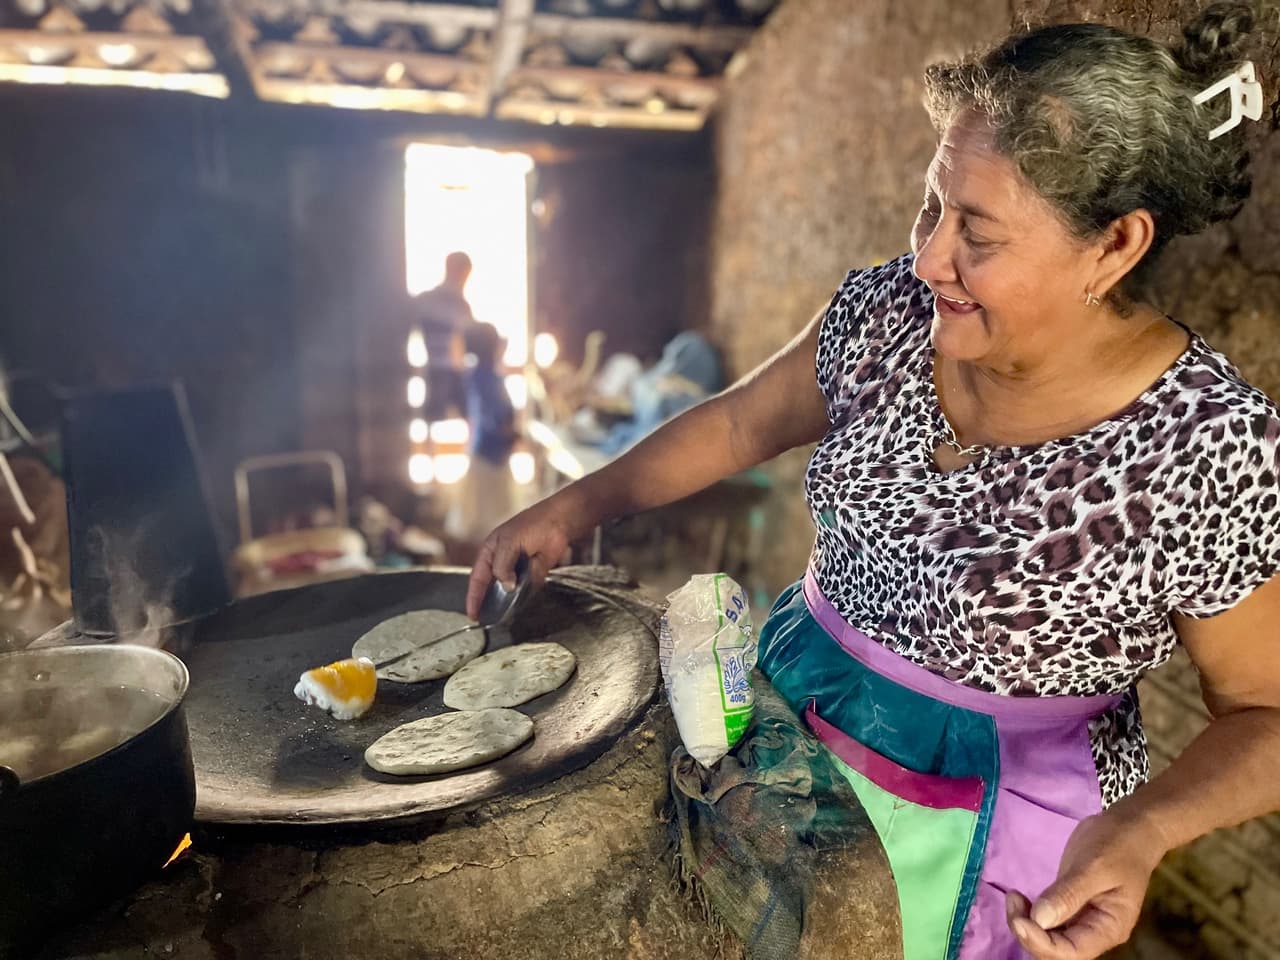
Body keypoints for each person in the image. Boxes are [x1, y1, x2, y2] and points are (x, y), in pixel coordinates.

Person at [466, 5, 1279, 959]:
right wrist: (578, 502)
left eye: (977, 230)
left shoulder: (1205, 446)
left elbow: (1267, 710)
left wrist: (1143, 832)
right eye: (933, 203)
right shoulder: (893, 312)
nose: (929, 256)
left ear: (1114, 246)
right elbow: (739, 422)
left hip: (985, 834)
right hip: (787, 725)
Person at [445, 323, 520, 545]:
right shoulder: (485, 378)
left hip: (488, 453)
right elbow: (493, 418)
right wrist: (510, 433)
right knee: (489, 522)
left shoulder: (480, 376)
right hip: (490, 456)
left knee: (487, 520)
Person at [411, 251, 475, 420]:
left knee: (464, 412)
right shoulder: (432, 301)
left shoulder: (458, 304)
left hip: (451, 369)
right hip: (440, 369)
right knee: (434, 415)